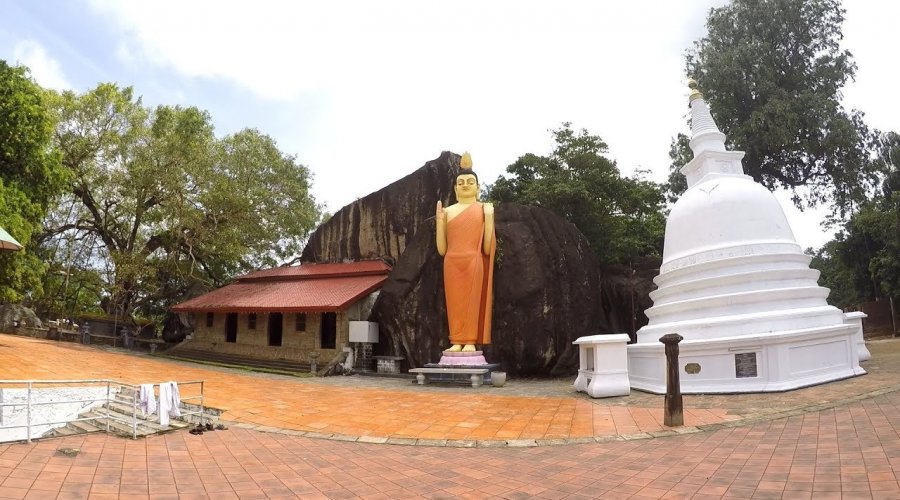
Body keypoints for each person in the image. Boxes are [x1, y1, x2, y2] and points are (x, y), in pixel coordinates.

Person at [435, 152, 496, 352]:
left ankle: (469, 340)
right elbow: (442, 249)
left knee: (471, 302)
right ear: (455, 188)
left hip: (473, 261)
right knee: (454, 304)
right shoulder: (448, 211)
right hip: (451, 263)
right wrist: (439, 222)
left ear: (478, 188)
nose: (465, 185)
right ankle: (456, 341)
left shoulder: (483, 209)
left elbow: (487, 248)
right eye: (461, 183)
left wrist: (489, 218)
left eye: (470, 182)